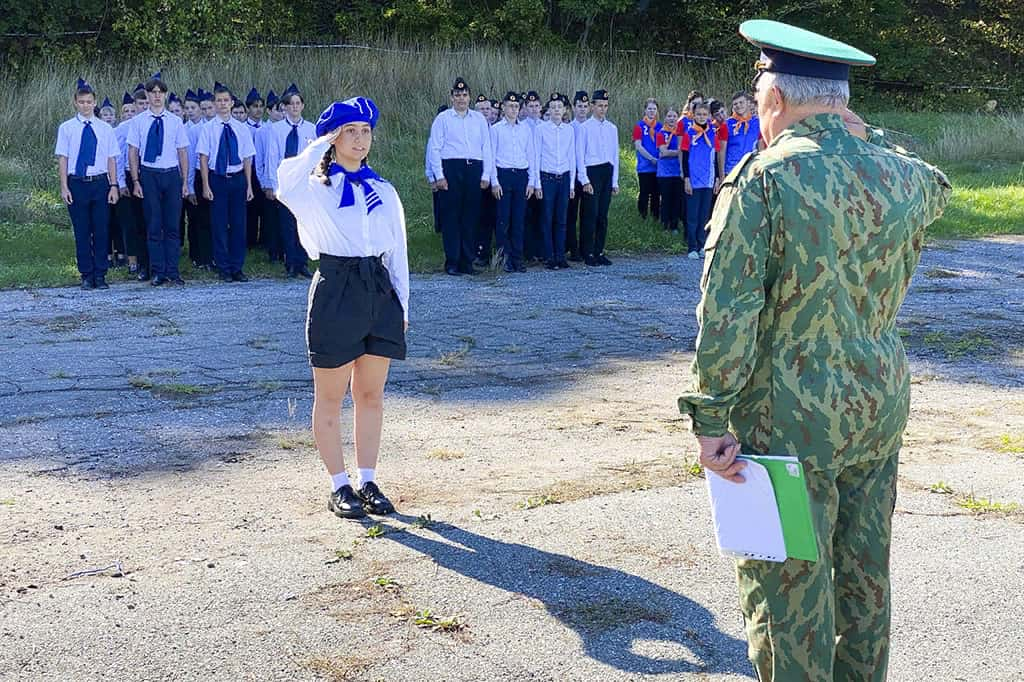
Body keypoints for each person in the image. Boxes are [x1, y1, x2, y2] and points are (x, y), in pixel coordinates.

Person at [677, 20, 952, 682]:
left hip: (786, 421)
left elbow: (728, 315)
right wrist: (868, 136)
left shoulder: (764, 181)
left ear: (772, 99)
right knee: (864, 586)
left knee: (787, 598)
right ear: (840, 101)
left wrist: (711, 418)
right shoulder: (901, 176)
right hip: (875, 408)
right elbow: (937, 186)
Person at [276, 97, 409, 520]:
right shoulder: (316, 189)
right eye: (350, 131)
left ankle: (368, 479)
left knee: (370, 394)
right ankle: (339, 484)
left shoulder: (384, 190)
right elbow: (284, 182)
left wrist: (402, 303)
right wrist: (319, 144)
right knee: (330, 396)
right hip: (336, 288)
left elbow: (398, 251)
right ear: (334, 137)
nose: (359, 139)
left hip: (378, 289)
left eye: (365, 131)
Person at [55, 78, 120, 290]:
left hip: (100, 182)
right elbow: (63, 158)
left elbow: (111, 159)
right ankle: (86, 273)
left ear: (95, 103)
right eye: (81, 102)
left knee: (101, 229)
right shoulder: (66, 128)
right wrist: (64, 187)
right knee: (82, 230)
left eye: (89, 102)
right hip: (77, 183)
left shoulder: (105, 128)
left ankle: (100, 274)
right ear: (75, 103)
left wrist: (114, 185)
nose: (85, 105)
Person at [127, 74, 190, 287]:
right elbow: (133, 152)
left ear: (165, 95)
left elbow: (182, 152)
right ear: (147, 95)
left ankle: (173, 270)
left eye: (160, 92)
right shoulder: (138, 122)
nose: (156, 96)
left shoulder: (175, 121)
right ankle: (157, 271)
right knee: (154, 225)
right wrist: (136, 181)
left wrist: (184, 182)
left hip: (171, 174)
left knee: (172, 225)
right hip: (149, 174)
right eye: (152, 92)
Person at [426, 77, 494, 276]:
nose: (461, 98)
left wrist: (486, 174)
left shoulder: (479, 119)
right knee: (451, 217)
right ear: (451, 97)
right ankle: (452, 261)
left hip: (474, 168)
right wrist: (438, 175)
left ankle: (467, 261)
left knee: (470, 217)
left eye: (464, 95)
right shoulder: (443, 119)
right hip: (451, 169)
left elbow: (487, 147)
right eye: (457, 95)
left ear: (469, 97)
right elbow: (435, 149)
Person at [198, 84, 256, 282]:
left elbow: (248, 158)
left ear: (232, 103)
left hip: (238, 179)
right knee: (220, 225)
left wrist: (249, 185)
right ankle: (223, 267)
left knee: (239, 225)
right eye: (219, 101)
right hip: (218, 179)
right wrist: (206, 185)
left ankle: (237, 267)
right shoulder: (208, 129)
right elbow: (204, 158)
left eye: (226, 101)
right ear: (214, 104)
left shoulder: (241, 128)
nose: (222, 104)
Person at [262, 84, 316, 278]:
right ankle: (290, 263)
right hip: (286, 182)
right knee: (286, 224)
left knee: (303, 222)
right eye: (291, 104)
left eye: (298, 103)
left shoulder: (311, 129)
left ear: (302, 106)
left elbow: (315, 158)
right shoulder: (276, 130)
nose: (294, 107)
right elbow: (272, 157)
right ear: (284, 107)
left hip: (304, 183)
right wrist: (274, 185)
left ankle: (303, 262)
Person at [489, 91, 536, 274]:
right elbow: (491, 157)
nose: (513, 109)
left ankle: (517, 258)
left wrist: (531, 181)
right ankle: (504, 259)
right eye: (510, 106)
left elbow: (531, 155)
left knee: (518, 220)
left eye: (516, 106)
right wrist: (494, 181)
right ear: (503, 107)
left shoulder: (525, 129)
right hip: (503, 175)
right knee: (503, 220)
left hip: (521, 176)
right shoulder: (496, 130)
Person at [576, 89, 618, 266]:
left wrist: (614, 181)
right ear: (592, 106)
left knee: (602, 215)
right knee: (590, 214)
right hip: (592, 171)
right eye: (599, 105)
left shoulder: (612, 128)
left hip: (606, 171)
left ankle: (599, 250)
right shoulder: (584, 128)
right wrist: (584, 179)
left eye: (605, 106)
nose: (603, 109)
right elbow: (579, 155)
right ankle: (587, 252)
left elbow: (614, 156)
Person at [534, 92, 575, 270]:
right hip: (547, 177)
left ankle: (560, 256)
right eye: (553, 107)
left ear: (565, 110)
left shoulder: (569, 130)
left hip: (564, 177)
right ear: (548, 110)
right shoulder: (541, 129)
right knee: (547, 218)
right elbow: (535, 156)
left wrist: (572, 184)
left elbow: (571, 157)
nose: (556, 110)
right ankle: (549, 256)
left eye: (559, 107)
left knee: (561, 219)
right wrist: (536, 183)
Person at [680, 101, 720, 259]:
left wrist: (717, 178)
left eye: (704, 114)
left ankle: (702, 244)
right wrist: (687, 179)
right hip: (694, 180)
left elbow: (716, 157)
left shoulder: (713, 133)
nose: (702, 117)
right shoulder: (688, 133)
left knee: (704, 215)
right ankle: (692, 247)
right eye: (698, 114)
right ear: (693, 115)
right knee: (692, 215)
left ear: (709, 116)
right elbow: (684, 158)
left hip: (708, 179)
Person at [564, 90, 589, 262]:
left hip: (587, 175)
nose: (582, 109)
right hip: (572, 176)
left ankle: (585, 247)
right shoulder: (569, 128)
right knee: (571, 214)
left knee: (587, 214)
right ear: (573, 107)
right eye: (579, 106)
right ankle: (572, 248)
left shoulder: (591, 126)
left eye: (585, 106)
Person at [719, 91, 760, 177]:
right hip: (732, 171)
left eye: (741, 102)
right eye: (735, 104)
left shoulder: (758, 123)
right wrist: (721, 175)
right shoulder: (726, 125)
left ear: (748, 103)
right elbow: (721, 151)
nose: (738, 105)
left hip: (751, 170)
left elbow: (761, 147)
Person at [244, 87, 266, 251]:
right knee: (249, 207)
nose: (258, 109)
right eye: (254, 106)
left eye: (260, 106)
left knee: (264, 206)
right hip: (248, 169)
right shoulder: (243, 128)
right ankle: (249, 239)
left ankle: (263, 240)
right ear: (248, 109)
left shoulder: (266, 128)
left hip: (263, 169)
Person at [632, 98, 661, 221]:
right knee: (644, 192)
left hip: (658, 166)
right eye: (649, 108)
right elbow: (638, 146)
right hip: (645, 166)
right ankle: (642, 217)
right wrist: (651, 158)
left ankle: (655, 216)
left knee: (656, 193)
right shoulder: (639, 126)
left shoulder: (660, 126)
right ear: (645, 110)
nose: (652, 111)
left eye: (654, 109)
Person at [655, 107, 682, 234]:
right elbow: (663, 152)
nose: (672, 119)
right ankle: (665, 225)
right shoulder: (661, 133)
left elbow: (667, 152)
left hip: (677, 171)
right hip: (664, 173)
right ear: (665, 118)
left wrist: (671, 152)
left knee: (676, 200)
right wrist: (679, 152)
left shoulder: (681, 134)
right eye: (669, 116)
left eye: (674, 116)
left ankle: (674, 226)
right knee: (666, 199)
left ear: (678, 118)